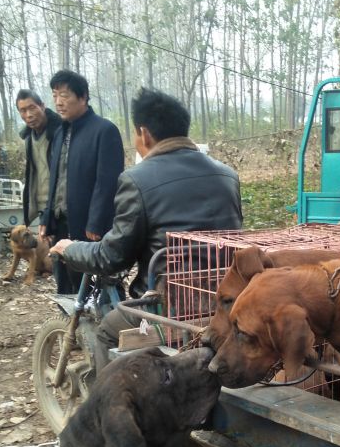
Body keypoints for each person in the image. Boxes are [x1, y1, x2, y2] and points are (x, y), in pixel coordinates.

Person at [50, 87, 243, 373]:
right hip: (227, 299)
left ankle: (106, 410)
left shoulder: (137, 178)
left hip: (168, 307)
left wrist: (70, 248)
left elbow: (111, 257)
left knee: (106, 330)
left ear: (144, 133)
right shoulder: (227, 174)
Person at [43, 70, 124, 294]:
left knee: (93, 284)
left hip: (88, 226)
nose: (59, 102)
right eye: (55, 95)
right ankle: (69, 326)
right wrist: (47, 216)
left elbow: (107, 181)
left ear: (83, 97)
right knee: (64, 281)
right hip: (61, 223)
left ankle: (103, 325)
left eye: (65, 95)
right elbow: (55, 179)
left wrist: (96, 222)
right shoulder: (60, 133)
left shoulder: (104, 130)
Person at [15, 88, 60, 230]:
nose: (28, 115)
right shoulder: (28, 137)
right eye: (23, 111)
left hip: (60, 208)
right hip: (41, 208)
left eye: (32, 108)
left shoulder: (60, 132)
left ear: (42, 106)